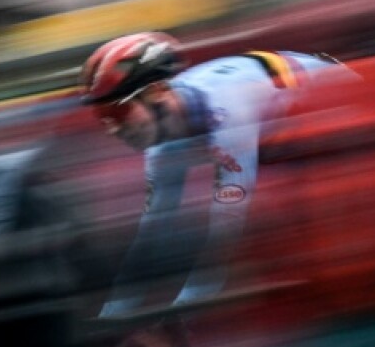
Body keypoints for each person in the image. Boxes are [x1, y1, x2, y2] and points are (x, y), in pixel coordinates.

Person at [78, 32, 351, 316]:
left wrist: (180, 314)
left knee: (274, 218)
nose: (112, 128)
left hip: (340, 95)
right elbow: (152, 234)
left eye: (117, 112)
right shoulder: (164, 138)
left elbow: (225, 236)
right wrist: (112, 312)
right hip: (287, 117)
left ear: (156, 92)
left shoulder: (227, 111)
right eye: (102, 118)